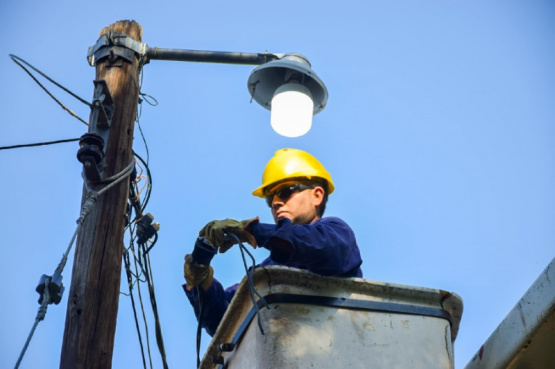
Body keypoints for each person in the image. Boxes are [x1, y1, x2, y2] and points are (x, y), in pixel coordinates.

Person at [183, 148, 363, 336]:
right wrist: (201, 278)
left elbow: (313, 245)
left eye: (286, 191)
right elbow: (223, 321)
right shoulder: (268, 271)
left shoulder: (336, 232)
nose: (276, 203)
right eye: (270, 199)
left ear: (317, 195)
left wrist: (249, 230)